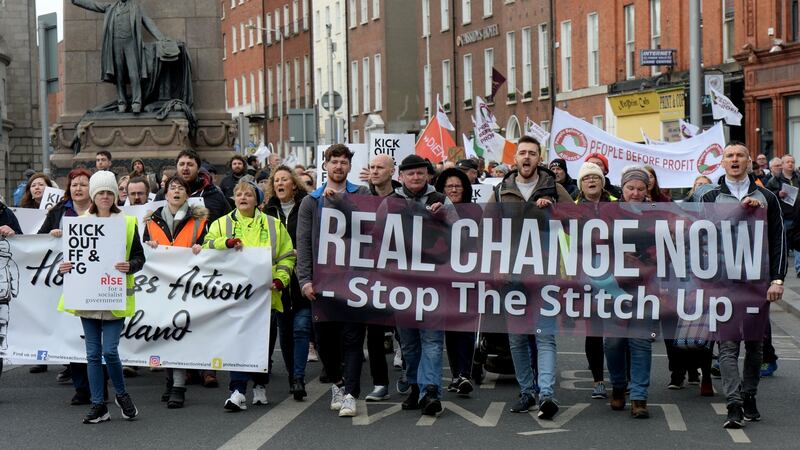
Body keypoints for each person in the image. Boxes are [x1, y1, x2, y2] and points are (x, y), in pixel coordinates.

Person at [701, 142, 786, 428]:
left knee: (755, 344)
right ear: (722, 163)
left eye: (740, 155)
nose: (734, 160)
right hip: (723, 283)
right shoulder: (709, 197)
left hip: (757, 283)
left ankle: (749, 396)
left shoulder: (767, 197)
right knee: (727, 346)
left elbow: (778, 240)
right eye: (729, 156)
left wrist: (777, 279)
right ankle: (733, 404)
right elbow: (702, 237)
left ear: (749, 162)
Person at [488, 135, 571, 419]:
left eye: (532, 153)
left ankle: (546, 394)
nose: (526, 158)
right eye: (522, 153)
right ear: (515, 159)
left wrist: (555, 210)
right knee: (517, 338)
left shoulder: (555, 188)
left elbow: (577, 222)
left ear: (540, 158)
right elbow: (489, 230)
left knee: (545, 335)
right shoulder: (501, 191)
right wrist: (496, 263)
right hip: (511, 273)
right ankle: (527, 391)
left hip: (545, 271)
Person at [56, 170, 145, 424]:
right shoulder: (80, 223)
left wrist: (131, 264)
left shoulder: (127, 223)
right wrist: (65, 267)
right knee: (93, 354)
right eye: (101, 193)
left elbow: (140, 257)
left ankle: (121, 394)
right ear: (94, 196)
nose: (105, 196)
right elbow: (71, 260)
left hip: (114, 295)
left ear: (116, 195)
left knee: (110, 351)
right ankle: (99, 405)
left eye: (109, 192)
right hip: (88, 297)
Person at [203, 180, 295, 411]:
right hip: (234, 296)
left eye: (248, 194)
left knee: (262, 344)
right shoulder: (221, 224)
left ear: (258, 200)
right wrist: (227, 242)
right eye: (238, 194)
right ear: (233, 198)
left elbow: (287, 256)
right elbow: (207, 246)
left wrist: (280, 280)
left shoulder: (274, 225)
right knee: (239, 342)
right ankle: (238, 390)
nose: (243, 197)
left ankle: (260, 385)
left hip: (266, 296)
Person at [296, 144, 371, 417]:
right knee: (326, 342)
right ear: (325, 165)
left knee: (353, 339)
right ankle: (338, 384)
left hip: (355, 280)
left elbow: (369, 229)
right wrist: (304, 280)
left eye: (343, 162)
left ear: (350, 166)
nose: (338, 166)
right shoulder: (311, 201)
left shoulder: (362, 193)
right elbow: (303, 243)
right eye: (334, 161)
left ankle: (351, 393)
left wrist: (342, 205)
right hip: (323, 282)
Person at [390, 154, 455, 417]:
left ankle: (430, 390)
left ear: (428, 175)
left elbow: (463, 231)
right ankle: (416, 387)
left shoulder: (440, 200)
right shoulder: (391, 202)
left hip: (433, 283)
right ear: (401, 176)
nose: (415, 177)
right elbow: (374, 236)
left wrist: (445, 218)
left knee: (432, 339)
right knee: (409, 343)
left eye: (420, 173)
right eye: (410, 173)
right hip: (402, 284)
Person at [142, 175, 208, 408]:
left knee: (179, 332)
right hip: (159, 286)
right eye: (172, 188)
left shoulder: (199, 221)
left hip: (187, 285)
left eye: (181, 188)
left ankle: (178, 386)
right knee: (164, 334)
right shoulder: (151, 221)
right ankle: (170, 380)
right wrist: (148, 247)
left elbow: (208, 248)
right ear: (165, 194)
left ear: (187, 195)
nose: (176, 191)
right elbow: (142, 253)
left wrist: (203, 248)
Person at [605, 166, 654, 419]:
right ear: (622, 189)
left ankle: (639, 397)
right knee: (613, 341)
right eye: (630, 188)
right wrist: (616, 255)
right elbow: (593, 244)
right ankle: (619, 385)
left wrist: (644, 260)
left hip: (644, 288)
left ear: (647, 191)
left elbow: (667, 251)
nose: (635, 193)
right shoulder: (608, 215)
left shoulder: (656, 215)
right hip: (613, 287)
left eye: (640, 189)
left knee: (640, 341)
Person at [264, 166, 312, 401]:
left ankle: (298, 378)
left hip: (301, 277)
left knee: (301, 328)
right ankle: (293, 372)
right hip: (279, 279)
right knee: (285, 331)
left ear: (294, 184)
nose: (280, 183)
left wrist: (300, 252)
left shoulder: (306, 206)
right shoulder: (267, 211)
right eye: (276, 181)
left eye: (285, 179)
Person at [70, 0, 165, 113]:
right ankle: (122, 102)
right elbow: (94, 5)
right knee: (119, 74)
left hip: (131, 43)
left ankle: (136, 102)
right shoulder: (111, 7)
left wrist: (162, 38)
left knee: (134, 74)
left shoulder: (135, 7)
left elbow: (148, 21)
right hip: (115, 44)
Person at [434, 167, 477, 396]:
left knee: (465, 326)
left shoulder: (475, 212)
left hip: (468, 277)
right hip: (442, 277)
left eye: (458, 186)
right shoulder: (436, 211)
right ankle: (456, 373)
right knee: (450, 328)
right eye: (449, 186)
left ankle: (464, 373)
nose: (453, 190)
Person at [573, 162, 614, 399]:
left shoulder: (618, 206)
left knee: (619, 330)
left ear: (602, 182)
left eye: (595, 178)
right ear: (581, 184)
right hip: (586, 276)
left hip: (616, 276)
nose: (591, 181)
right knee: (594, 330)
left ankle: (622, 378)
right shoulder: (573, 208)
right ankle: (598, 379)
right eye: (587, 178)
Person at [0, 200, 22, 357]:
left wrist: (13, 233)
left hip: (2, 296)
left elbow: (23, 244)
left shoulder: (5, 213)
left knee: (3, 320)